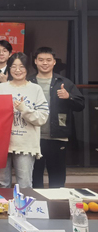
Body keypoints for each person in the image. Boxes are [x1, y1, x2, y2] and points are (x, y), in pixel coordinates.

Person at [31, 47, 85, 188]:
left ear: (54, 62)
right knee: (35, 176)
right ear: (35, 61)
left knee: (57, 177)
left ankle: (58, 201)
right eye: (41, 60)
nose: (45, 63)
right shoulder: (29, 82)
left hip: (57, 137)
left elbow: (80, 105)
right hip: (33, 137)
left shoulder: (65, 82)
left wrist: (69, 97)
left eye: (48, 60)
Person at [0, 52, 48, 188]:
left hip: (25, 145)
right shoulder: (1, 88)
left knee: (25, 184)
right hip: (3, 144)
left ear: (28, 68)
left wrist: (24, 109)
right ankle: (4, 204)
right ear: (9, 68)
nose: (17, 70)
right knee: (2, 183)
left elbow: (42, 118)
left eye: (21, 66)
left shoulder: (35, 89)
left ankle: (24, 203)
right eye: (13, 66)